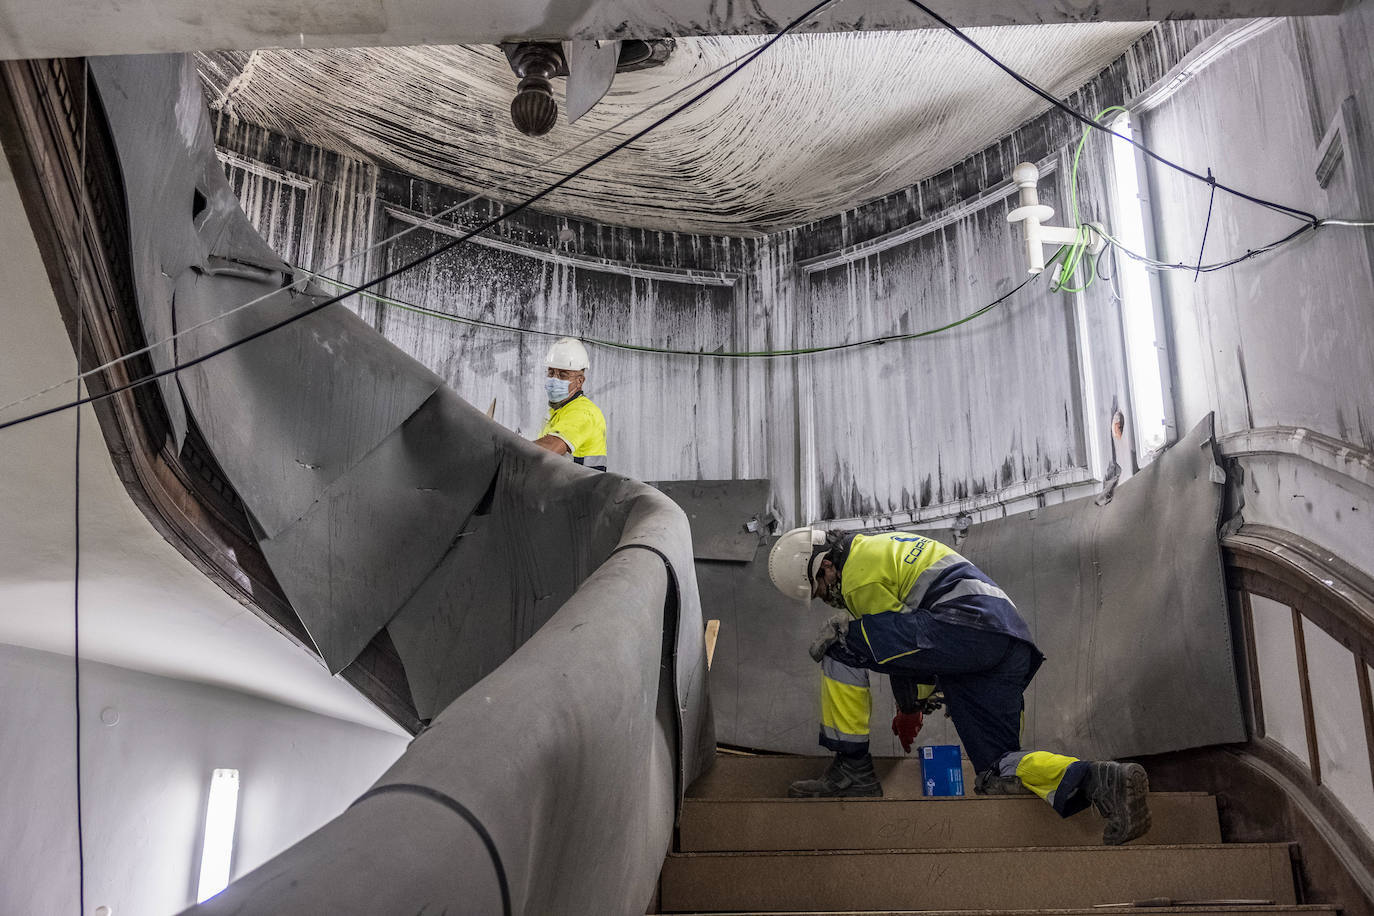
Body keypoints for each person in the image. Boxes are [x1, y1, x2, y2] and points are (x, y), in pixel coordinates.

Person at [767, 526, 1151, 846]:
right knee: (998, 771)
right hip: (1003, 641)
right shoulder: (883, 547)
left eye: (819, 589)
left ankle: (852, 770)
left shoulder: (857, 574)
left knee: (838, 643)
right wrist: (920, 698)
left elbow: (896, 647)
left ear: (827, 565)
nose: (825, 597)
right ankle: (1103, 780)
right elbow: (905, 639)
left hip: (963, 629)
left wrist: (909, 709)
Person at [532, 337, 607, 472]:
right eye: (551, 373)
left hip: (580, 491)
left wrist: (508, 448)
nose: (554, 379)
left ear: (579, 381)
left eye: (562, 375)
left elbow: (550, 448)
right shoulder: (558, 411)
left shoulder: (583, 412)